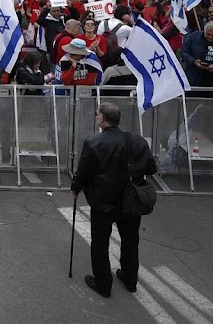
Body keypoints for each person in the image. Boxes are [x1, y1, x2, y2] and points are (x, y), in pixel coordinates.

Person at [71, 102, 157, 298]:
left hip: (104, 201)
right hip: (131, 199)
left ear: (102, 119)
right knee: (130, 240)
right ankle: (130, 278)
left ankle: (103, 283)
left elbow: (83, 173)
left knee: (100, 242)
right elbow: (151, 168)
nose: (96, 117)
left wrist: (75, 189)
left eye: (97, 114)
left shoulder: (93, 143)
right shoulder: (138, 141)